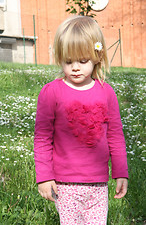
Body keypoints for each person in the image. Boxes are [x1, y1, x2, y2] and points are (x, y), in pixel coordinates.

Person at [34, 15, 128, 225]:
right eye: (68, 61)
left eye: (82, 61)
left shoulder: (106, 93)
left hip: (98, 185)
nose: (75, 67)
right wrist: (44, 177)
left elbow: (115, 135)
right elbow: (42, 138)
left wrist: (121, 172)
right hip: (65, 185)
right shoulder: (51, 93)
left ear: (97, 56)